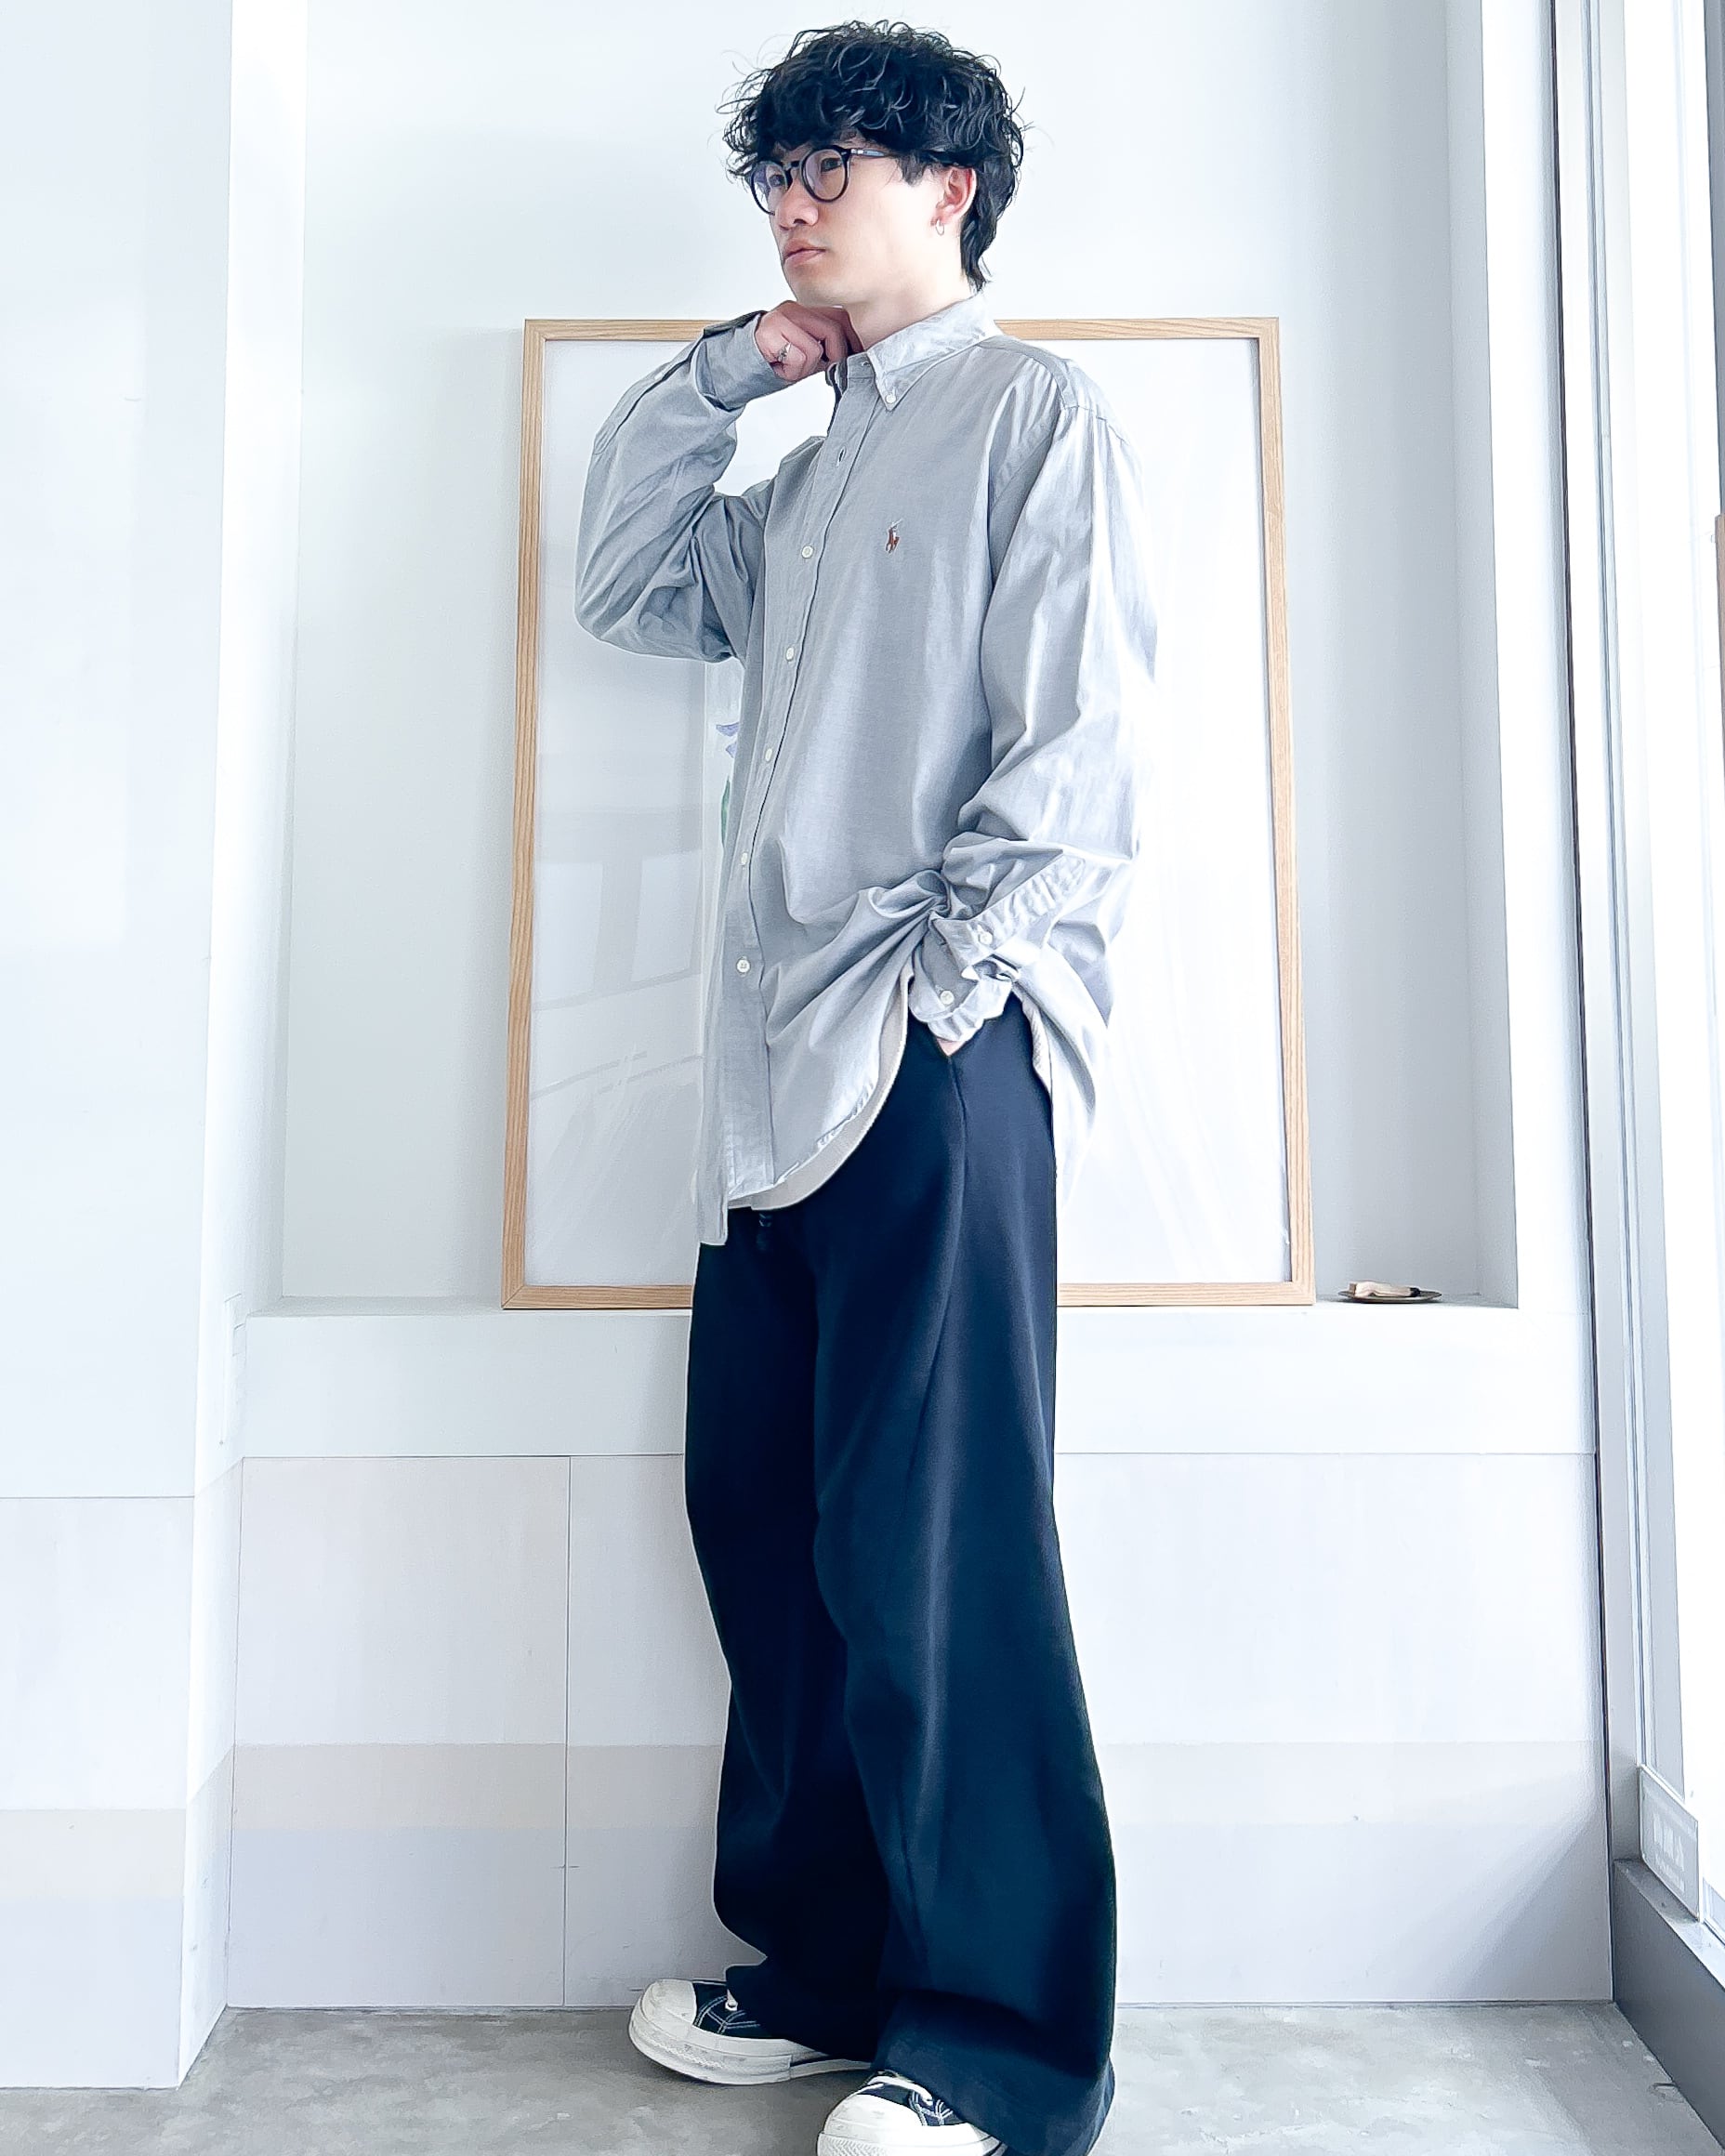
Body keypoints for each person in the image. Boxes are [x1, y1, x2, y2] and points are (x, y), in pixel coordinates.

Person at [573, 21, 1157, 2156]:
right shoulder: (806, 471)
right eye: (779, 173)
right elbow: (622, 578)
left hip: (925, 1066)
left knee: (934, 1556)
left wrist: (939, 1002)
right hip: (766, 1098)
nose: (795, 204)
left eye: (837, 166)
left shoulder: (1034, 416)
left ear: (952, 187)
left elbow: (1076, 756)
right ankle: (827, 1966)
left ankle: (999, 2045)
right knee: (770, 1529)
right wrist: (733, 371)